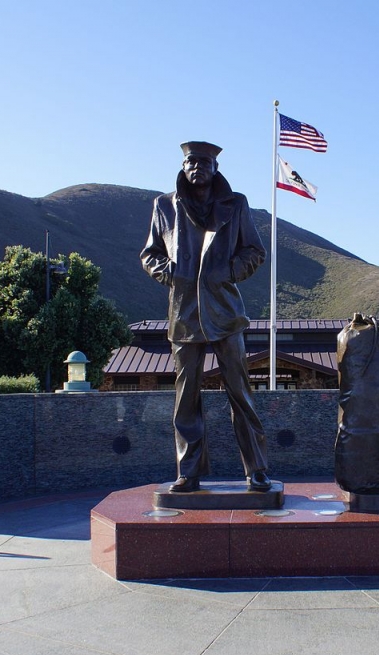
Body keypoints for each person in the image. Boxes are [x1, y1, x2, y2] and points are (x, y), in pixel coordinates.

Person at [139, 141, 270, 493]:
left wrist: (228, 271)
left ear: (215, 167)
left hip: (225, 312)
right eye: (190, 161)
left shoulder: (235, 203)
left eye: (203, 161)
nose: (196, 166)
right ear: (183, 166)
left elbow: (255, 250)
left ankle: (256, 469)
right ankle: (188, 472)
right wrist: (170, 273)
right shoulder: (164, 205)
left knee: (240, 393)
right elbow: (149, 253)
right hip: (183, 314)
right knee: (186, 398)